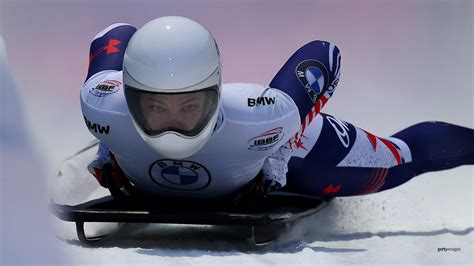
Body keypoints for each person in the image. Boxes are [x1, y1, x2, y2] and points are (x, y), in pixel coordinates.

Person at [81, 16, 473, 203]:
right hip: (249, 144)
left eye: (188, 106)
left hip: (287, 153)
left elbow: (326, 53)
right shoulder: (102, 106)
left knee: (401, 157)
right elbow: (115, 31)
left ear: (214, 95)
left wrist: (286, 142)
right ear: (130, 98)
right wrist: (108, 143)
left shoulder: (266, 117)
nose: (173, 127)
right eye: (154, 107)